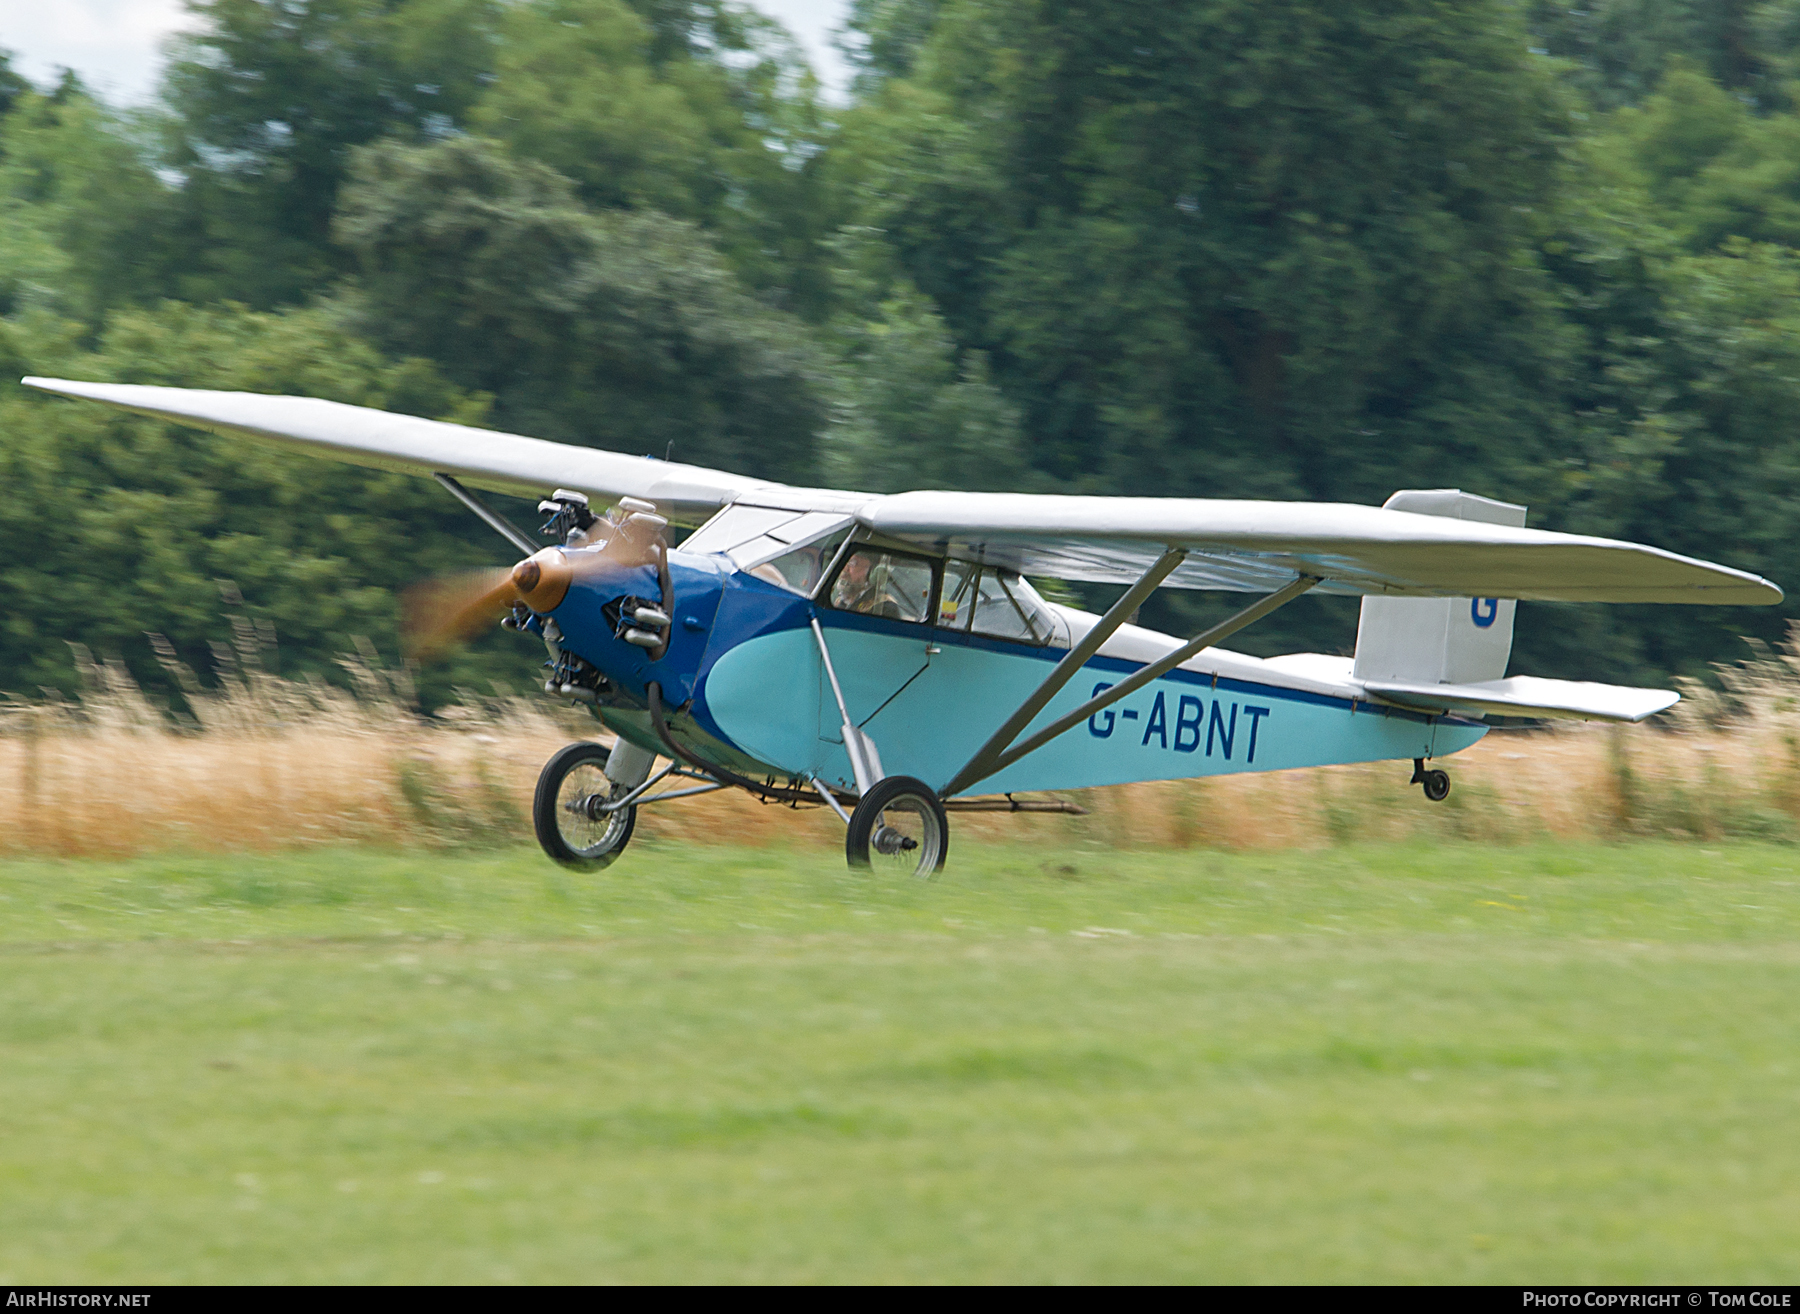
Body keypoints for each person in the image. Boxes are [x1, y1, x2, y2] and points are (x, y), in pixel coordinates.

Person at [831, 551, 901, 618]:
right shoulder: (840, 601)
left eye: (852, 563)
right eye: (844, 562)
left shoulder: (885, 608)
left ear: (872, 572)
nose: (844, 569)